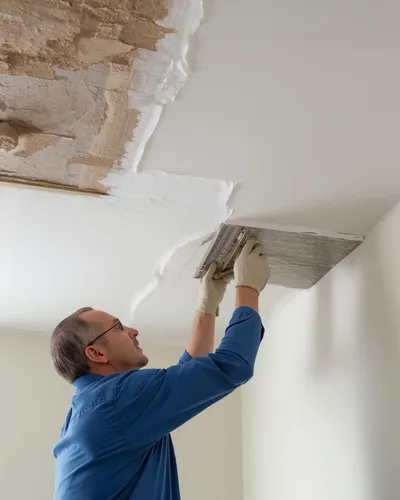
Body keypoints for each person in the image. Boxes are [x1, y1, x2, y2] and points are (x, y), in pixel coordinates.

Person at [51, 238, 270, 500]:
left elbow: (187, 383)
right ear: (97, 353)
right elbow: (233, 365)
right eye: (119, 327)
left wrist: (207, 307)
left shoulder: (92, 409)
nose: (133, 331)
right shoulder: (115, 402)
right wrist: (248, 289)